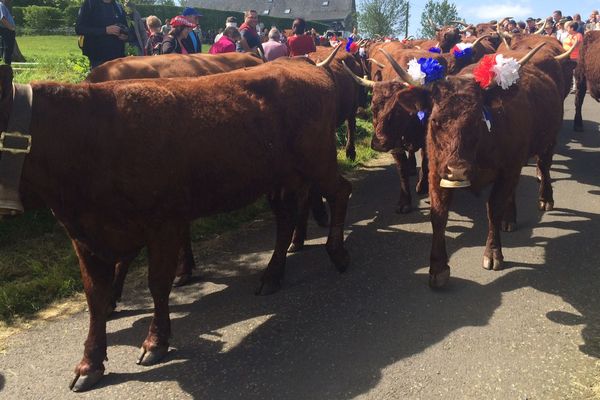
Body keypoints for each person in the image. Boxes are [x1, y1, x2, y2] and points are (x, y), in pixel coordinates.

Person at [75, 0, 128, 68]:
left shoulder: (118, 6)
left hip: (118, 56)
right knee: (100, 78)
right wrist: (105, 30)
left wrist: (125, 36)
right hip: (98, 57)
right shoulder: (89, 4)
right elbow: (79, 29)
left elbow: (125, 27)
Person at [563, 21, 583, 92]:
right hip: (567, 57)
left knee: (575, 72)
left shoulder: (578, 35)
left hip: (575, 57)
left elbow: (577, 45)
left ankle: (575, 87)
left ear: (572, 28)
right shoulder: (567, 36)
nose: (567, 29)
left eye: (568, 28)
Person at [0, 0, 15, 65]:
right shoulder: (0, 5)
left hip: (6, 30)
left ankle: (5, 67)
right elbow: (2, 19)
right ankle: (6, 68)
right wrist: (11, 28)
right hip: (6, 30)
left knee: (7, 50)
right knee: (8, 50)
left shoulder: (3, 5)